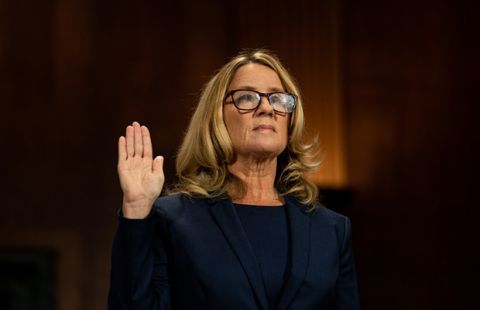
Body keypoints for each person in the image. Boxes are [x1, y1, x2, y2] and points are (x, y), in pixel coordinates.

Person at [108, 49, 360, 310]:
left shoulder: (331, 231)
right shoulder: (175, 220)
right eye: (248, 97)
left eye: (278, 99)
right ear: (217, 118)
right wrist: (136, 210)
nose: (266, 108)